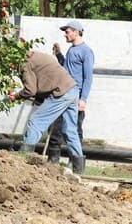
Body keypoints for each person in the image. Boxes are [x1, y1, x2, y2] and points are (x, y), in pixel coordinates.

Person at [15, 50, 86, 175]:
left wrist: (16, 96)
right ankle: (78, 169)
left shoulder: (24, 63)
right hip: (73, 90)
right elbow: (45, 79)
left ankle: (23, 159)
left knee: (36, 122)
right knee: (70, 130)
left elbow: (30, 90)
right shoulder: (38, 56)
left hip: (61, 93)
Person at [47, 18, 95, 163]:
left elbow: (88, 78)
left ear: (76, 32)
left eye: (67, 32)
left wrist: (83, 99)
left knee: (75, 129)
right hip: (64, 93)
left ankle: (75, 163)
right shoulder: (72, 49)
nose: (65, 35)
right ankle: (52, 161)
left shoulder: (86, 51)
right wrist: (59, 54)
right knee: (56, 127)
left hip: (76, 95)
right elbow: (66, 68)